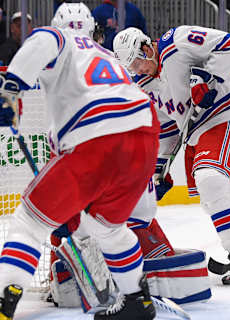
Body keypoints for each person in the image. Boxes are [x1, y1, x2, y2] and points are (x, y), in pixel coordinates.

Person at [0, 2, 160, 319]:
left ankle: (4, 297)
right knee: (108, 229)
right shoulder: (106, 55)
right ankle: (137, 301)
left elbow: (44, 41)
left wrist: (10, 89)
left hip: (97, 135)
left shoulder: (59, 39)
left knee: (29, 222)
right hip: (144, 133)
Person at [113, 26, 230, 281]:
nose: (137, 70)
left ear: (147, 48)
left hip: (223, 113)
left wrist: (206, 77)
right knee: (209, 192)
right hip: (197, 132)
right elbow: (168, 128)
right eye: (131, 67)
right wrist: (159, 169)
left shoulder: (176, 42)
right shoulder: (145, 85)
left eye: (137, 62)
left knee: (210, 178)